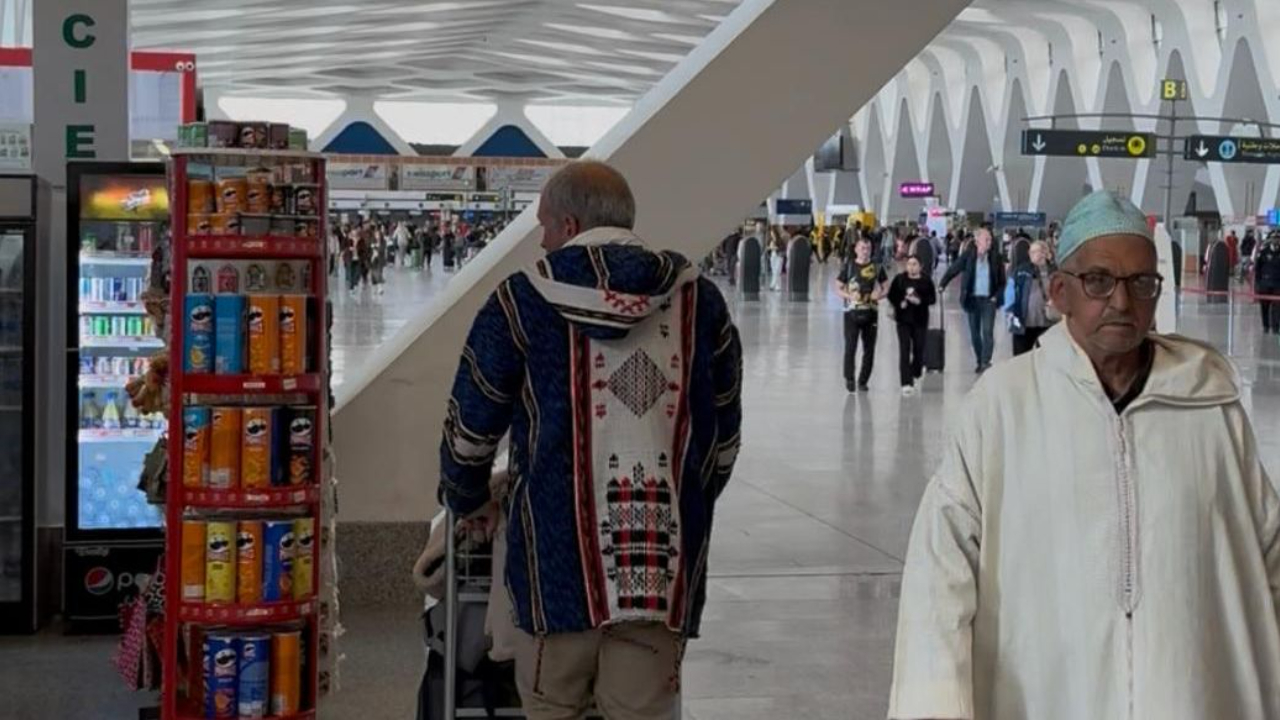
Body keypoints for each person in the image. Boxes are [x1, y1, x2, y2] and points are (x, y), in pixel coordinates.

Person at [889, 190, 1280, 720]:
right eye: (1098, 280)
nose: (1121, 302)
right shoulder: (1002, 409)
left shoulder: (1211, 408)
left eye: (1141, 283)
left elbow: (1268, 558)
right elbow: (938, 588)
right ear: (1059, 292)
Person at [440, 161, 743, 720]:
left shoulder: (520, 301)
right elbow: (722, 440)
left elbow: (471, 427)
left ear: (570, 224)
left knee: (553, 707)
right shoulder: (701, 302)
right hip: (660, 571)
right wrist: (689, 505)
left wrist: (468, 498)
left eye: (545, 226)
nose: (543, 239)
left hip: (553, 568)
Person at [940, 228, 1005, 373]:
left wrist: (996, 297)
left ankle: (985, 361)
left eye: (990, 239)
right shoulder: (968, 256)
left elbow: (1002, 282)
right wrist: (942, 284)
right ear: (977, 241)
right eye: (986, 239)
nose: (990, 242)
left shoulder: (996, 257)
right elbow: (953, 269)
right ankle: (979, 359)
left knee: (987, 331)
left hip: (989, 299)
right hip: (972, 299)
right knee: (975, 333)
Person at [837, 237, 888, 393]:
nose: (865, 252)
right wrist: (849, 296)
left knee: (869, 349)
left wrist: (879, 295)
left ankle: (863, 380)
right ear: (856, 249)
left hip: (871, 312)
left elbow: (886, 287)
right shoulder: (849, 266)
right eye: (862, 248)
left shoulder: (877, 267)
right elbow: (838, 287)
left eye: (868, 248)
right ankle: (849, 378)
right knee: (850, 347)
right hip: (851, 313)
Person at [887, 255, 937, 396]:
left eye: (914, 264)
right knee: (904, 350)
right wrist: (900, 302)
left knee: (919, 349)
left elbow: (932, 299)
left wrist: (919, 301)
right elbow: (892, 295)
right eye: (909, 264)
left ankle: (916, 370)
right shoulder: (900, 279)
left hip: (920, 320)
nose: (911, 267)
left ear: (920, 266)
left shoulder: (926, 281)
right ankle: (905, 382)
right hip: (903, 320)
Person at [1007, 239, 1059, 355]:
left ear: (1044, 253)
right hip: (1024, 322)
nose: (1031, 254)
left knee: (1047, 358)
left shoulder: (1054, 272)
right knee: (1020, 359)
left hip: (1047, 323)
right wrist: (1010, 310)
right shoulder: (1021, 270)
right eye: (1030, 252)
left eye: (1035, 251)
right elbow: (1010, 291)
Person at [1256, 230, 1280, 333]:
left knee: (1277, 307)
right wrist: (1257, 284)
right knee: (1264, 306)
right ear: (1270, 239)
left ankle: (1275, 327)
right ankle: (1266, 325)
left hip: (1278, 284)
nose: (1276, 240)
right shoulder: (1263, 252)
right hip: (1265, 284)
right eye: (1274, 238)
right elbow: (1258, 268)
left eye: (1278, 238)